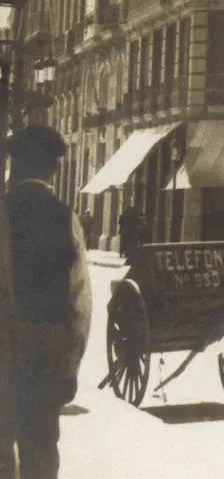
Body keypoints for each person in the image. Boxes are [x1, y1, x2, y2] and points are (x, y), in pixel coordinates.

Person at [1, 125, 92, 479]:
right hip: (47, 354)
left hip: (3, 350)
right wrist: (70, 366)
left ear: (14, 166)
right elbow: (80, 300)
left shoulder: (2, 213)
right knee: (40, 452)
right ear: (53, 170)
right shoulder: (66, 218)